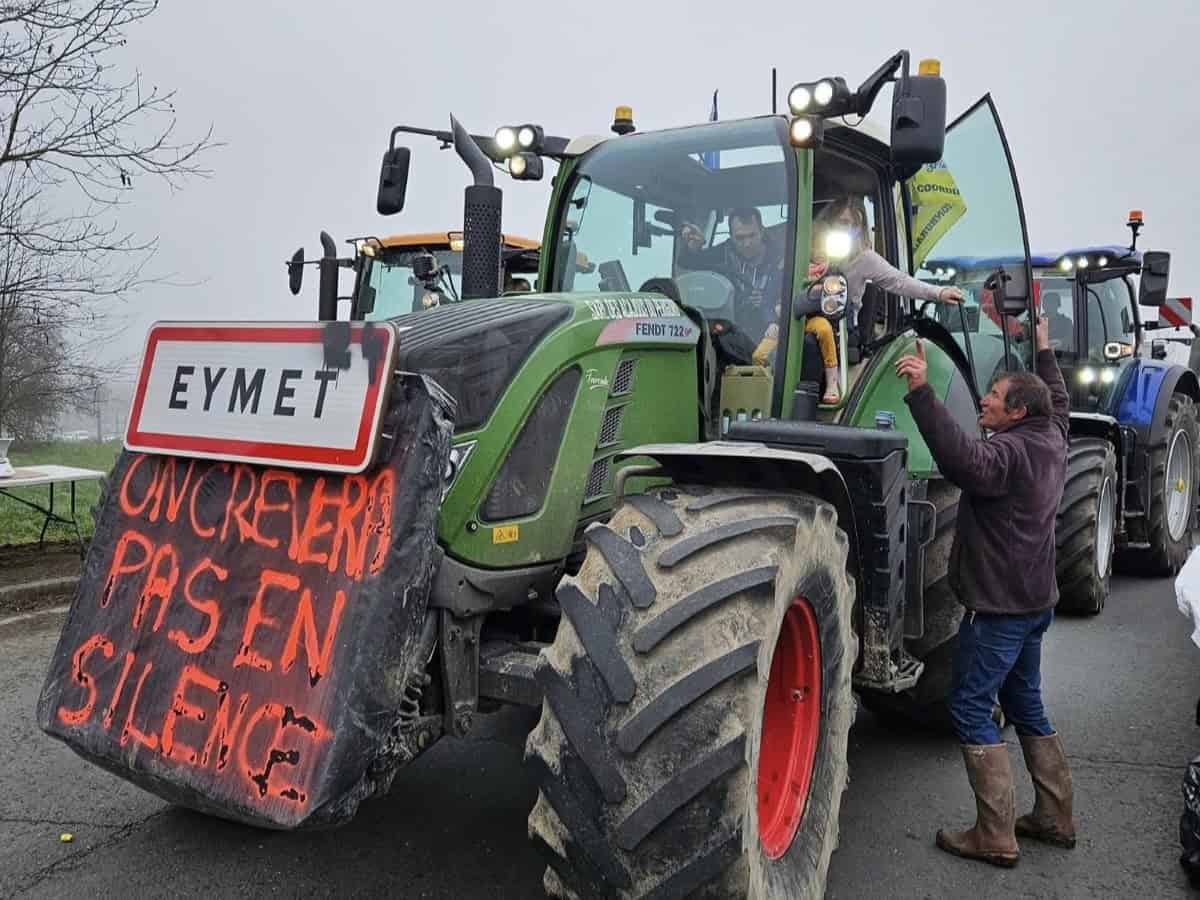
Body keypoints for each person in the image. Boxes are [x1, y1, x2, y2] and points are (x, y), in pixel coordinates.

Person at [894, 317, 1076, 868]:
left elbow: (961, 460)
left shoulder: (1008, 455)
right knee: (1024, 701)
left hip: (997, 608)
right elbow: (1058, 399)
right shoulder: (1052, 435)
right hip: (1035, 603)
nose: (984, 402)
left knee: (971, 705)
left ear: (1018, 412)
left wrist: (922, 392)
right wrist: (1042, 350)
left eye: (994, 398)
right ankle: (1054, 816)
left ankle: (995, 834)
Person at [678, 207, 784, 342]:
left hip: (773, 339)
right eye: (740, 238)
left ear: (762, 231)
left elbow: (793, 297)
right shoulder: (723, 255)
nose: (747, 243)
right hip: (730, 336)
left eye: (752, 235)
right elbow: (686, 262)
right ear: (731, 235)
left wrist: (768, 300)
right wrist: (693, 247)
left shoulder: (782, 258)